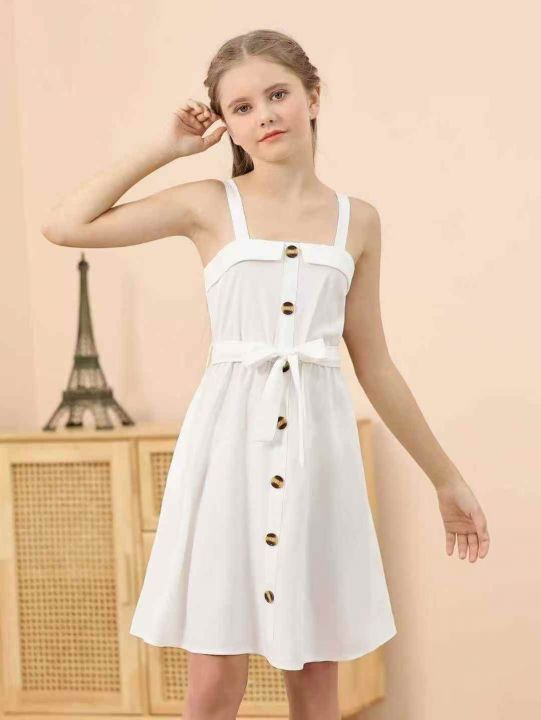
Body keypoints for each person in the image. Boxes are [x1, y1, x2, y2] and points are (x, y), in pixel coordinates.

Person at [42, 28, 490, 720]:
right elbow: (66, 225)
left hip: (317, 456)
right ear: (226, 123)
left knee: (314, 679)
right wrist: (166, 148)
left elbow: (374, 362)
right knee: (214, 681)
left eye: (277, 94)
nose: (265, 115)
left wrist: (445, 478)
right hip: (227, 453)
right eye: (242, 107)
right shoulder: (207, 204)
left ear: (313, 96)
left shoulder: (357, 221)